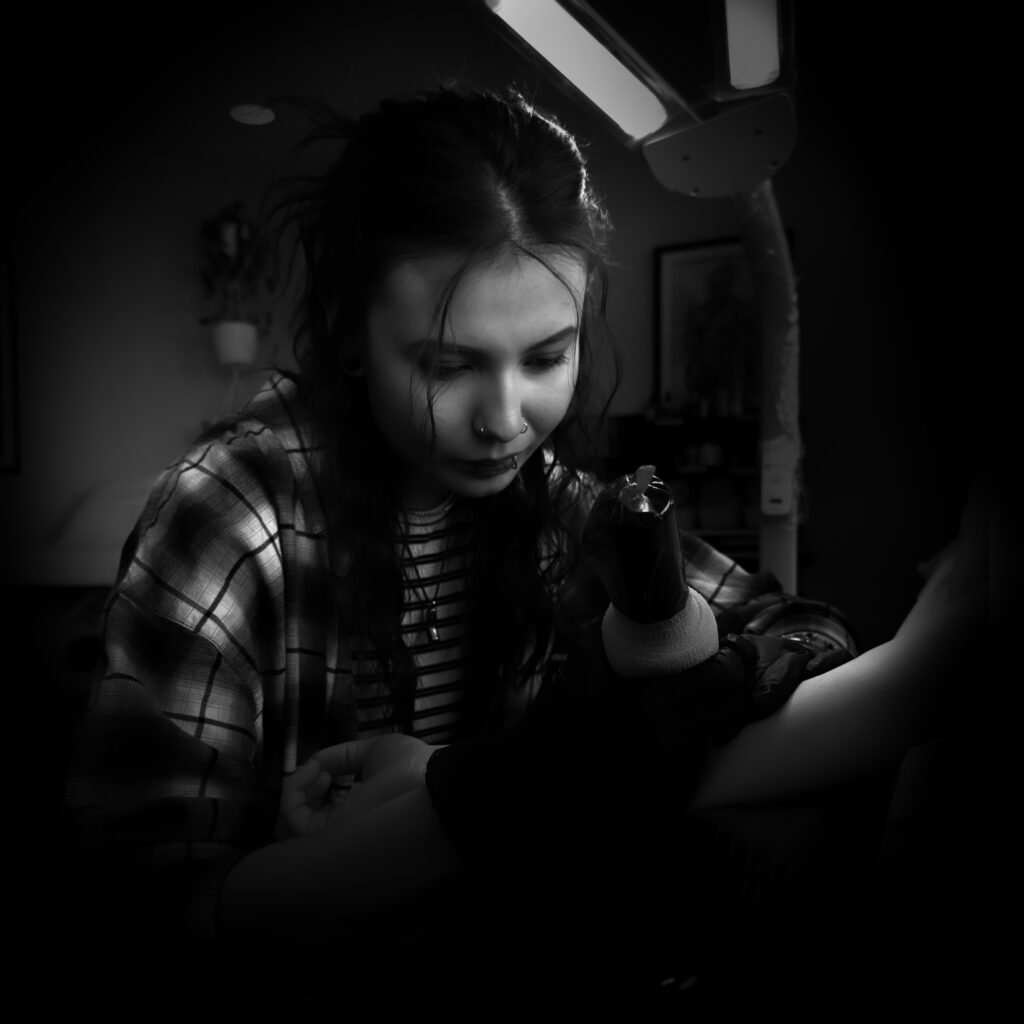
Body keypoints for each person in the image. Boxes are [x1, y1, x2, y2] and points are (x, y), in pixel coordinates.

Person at [56, 82, 979, 1011]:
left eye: (546, 357)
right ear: (347, 333)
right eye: (447, 365)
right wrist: (508, 782)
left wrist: (690, 692)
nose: (506, 421)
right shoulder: (229, 514)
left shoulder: (549, 503)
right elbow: (160, 912)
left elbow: (806, 632)